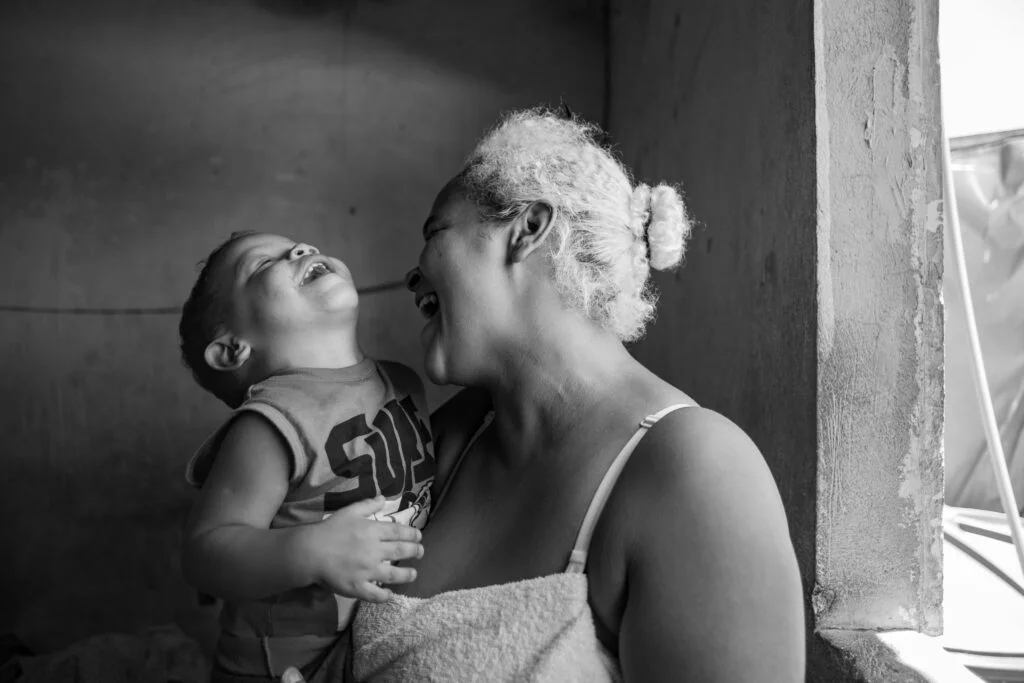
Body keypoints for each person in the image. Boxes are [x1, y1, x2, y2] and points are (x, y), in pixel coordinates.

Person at [288, 107, 806, 682]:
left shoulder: (699, 471)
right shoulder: (451, 439)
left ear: (528, 229)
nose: (413, 275)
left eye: (436, 232)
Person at [178, 232, 432, 682]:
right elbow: (205, 554)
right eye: (261, 264)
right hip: (278, 668)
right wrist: (308, 550)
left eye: (298, 245)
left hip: (379, 639)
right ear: (234, 347)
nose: (301, 250)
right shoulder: (271, 423)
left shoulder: (404, 382)